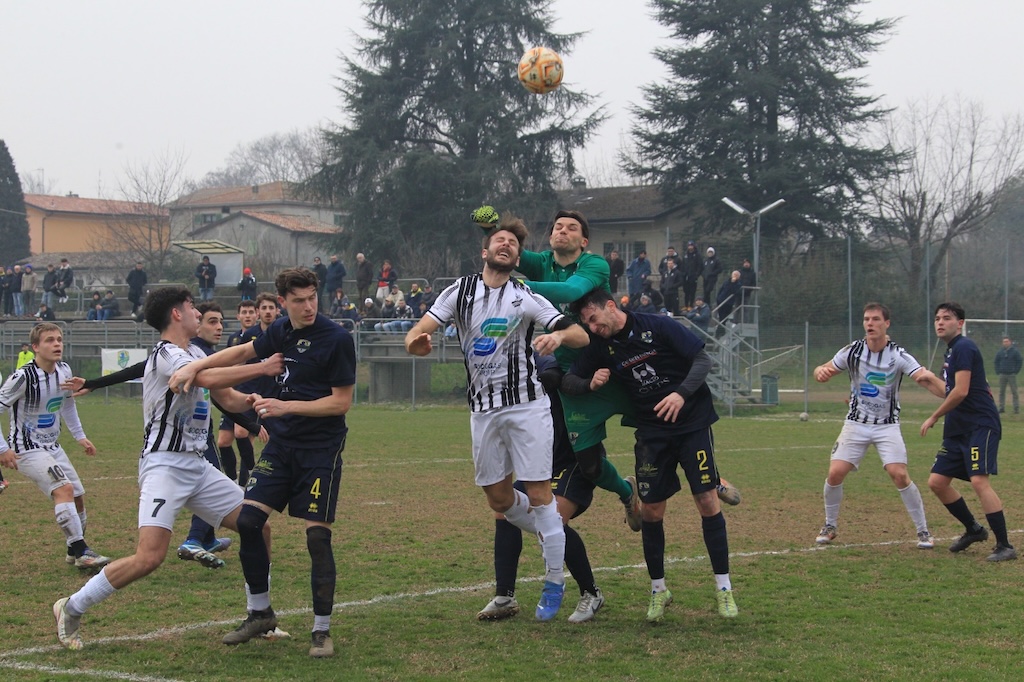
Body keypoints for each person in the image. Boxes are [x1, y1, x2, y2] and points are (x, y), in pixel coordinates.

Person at [52, 287, 282, 651]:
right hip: (164, 465)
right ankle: (72, 605)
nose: (198, 313)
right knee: (150, 557)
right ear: (177, 314)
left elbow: (226, 397)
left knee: (258, 525)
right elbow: (204, 380)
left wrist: (255, 402)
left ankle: (260, 614)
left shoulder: (195, 352)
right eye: (192, 307)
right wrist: (263, 366)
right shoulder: (165, 354)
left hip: (197, 465)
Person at [406, 215, 590, 621]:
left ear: (518, 256)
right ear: (484, 251)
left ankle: (554, 578)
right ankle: (554, 532)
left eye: (513, 243)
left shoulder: (525, 296)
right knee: (500, 499)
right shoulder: (460, 291)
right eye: (499, 240)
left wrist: (558, 335)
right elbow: (419, 332)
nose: (505, 245)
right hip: (482, 411)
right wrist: (416, 343)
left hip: (527, 406)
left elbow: (580, 334)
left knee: (541, 495)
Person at [169, 268, 356, 657]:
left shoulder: (337, 338)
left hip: (320, 448)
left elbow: (341, 402)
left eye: (312, 299)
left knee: (317, 538)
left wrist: (288, 406)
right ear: (283, 302)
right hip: (281, 445)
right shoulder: (282, 331)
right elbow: (241, 352)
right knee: (250, 521)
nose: (307, 307)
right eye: (299, 301)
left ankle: (321, 631)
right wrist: (195, 365)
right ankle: (260, 612)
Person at [563, 288, 739, 623]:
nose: (593, 328)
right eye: (587, 324)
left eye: (594, 319)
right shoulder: (600, 347)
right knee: (652, 511)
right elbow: (570, 379)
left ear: (610, 307)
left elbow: (703, 360)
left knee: (705, 500)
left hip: (692, 424)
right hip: (652, 434)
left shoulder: (658, 326)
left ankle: (723, 588)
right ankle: (659, 590)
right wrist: (590, 383)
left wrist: (680, 394)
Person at [495, 207, 642, 531]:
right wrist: (490, 226)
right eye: (558, 226)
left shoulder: (593, 264)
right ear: (550, 237)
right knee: (588, 464)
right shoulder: (542, 261)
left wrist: (513, 285)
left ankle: (710, 477)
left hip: (599, 366)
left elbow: (571, 292)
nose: (563, 231)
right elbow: (503, 250)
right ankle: (627, 492)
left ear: (584, 240)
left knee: (658, 416)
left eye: (571, 228)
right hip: (558, 376)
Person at [478, 354, 605, 623]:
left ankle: (591, 593)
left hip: (573, 460)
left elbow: (552, 376)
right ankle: (505, 596)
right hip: (538, 462)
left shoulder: (537, 357)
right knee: (503, 513)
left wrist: (521, 381)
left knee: (554, 518)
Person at [812, 303, 943, 549]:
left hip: (887, 426)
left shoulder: (898, 355)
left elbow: (923, 378)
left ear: (886, 324)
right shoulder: (853, 351)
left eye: (875, 319)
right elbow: (823, 368)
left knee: (899, 475)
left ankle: (923, 531)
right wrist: (820, 371)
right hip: (856, 423)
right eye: (866, 319)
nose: (870, 324)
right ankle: (830, 526)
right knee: (835, 473)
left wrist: (951, 394)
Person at [0, 323, 111, 570]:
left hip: (52, 445)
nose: (57, 344)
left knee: (79, 497)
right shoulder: (22, 377)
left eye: (59, 339)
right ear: (36, 347)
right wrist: (2, 449)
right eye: (50, 340)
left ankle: (73, 549)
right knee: (64, 489)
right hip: (27, 448)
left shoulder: (64, 370)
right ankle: (82, 552)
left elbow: (68, 404)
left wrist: (80, 436)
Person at [921, 302, 1017, 562]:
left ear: (960, 323)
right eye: (937, 318)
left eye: (947, 318)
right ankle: (974, 529)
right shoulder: (951, 353)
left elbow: (961, 392)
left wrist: (934, 416)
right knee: (937, 482)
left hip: (979, 425)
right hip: (958, 429)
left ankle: (1005, 546)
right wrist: (929, 380)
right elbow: (950, 390)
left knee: (979, 481)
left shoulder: (964, 347)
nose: (940, 322)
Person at [217, 299, 261, 486]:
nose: (248, 315)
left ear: (256, 314)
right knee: (224, 441)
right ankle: (233, 482)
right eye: (244, 312)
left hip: (251, 393)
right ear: (238, 316)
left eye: (251, 312)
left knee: (242, 433)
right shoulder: (234, 339)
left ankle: (247, 482)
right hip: (233, 393)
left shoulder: (261, 337)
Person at [994, 336, 1022, 414]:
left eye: (1007, 341)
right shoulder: (1000, 352)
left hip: (1011, 375)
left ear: (1010, 342)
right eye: (1004, 342)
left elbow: (1019, 361)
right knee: (1001, 392)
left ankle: (1016, 408)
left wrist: (1016, 370)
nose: (1005, 343)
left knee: (1014, 392)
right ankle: (1001, 407)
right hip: (1002, 374)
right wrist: (998, 370)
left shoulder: (1015, 351)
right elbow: (996, 361)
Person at [680, 241, 701, 310]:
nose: (690, 247)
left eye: (691, 246)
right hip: (686, 277)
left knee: (692, 292)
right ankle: (686, 305)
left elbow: (700, 266)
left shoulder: (697, 255)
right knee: (686, 292)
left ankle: (691, 305)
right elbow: (682, 265)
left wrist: (696, 275)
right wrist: (683, 274)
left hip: (693, 276)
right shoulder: (685, 255)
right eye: (689, 246)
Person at [738, 258, 756, 322]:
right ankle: (735, 322)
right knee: (737, 308)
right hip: (739, 294)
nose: (746, 264)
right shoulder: (739, 272)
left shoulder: (752, 273)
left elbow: (754, 283)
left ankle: (746, 322)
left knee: (745, 308)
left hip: (747, 294)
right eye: (745, 263)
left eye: (747, 263)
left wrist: (748, 290)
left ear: (750, 264)